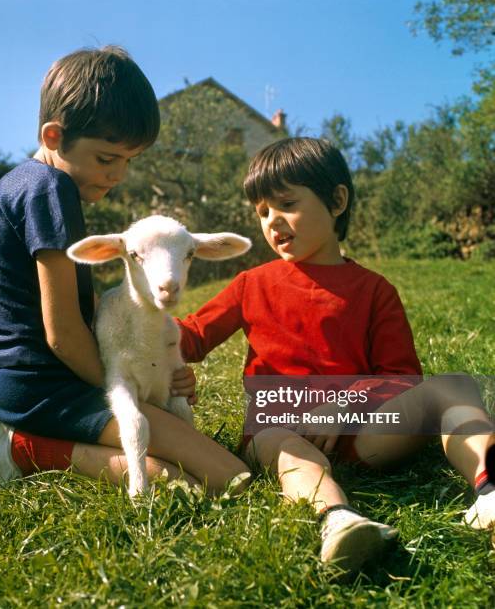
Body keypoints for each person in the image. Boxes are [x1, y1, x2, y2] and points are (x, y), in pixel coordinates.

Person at [0, 46, 249, 499]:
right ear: (53, 136)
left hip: (19, 387)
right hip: (40, 390)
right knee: (217, 477)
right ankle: (21, 447)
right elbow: (63, 334)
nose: (118, 175)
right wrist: (135, 391)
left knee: (209, 473)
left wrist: (156, 374)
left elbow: (87, 314)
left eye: (129, 160)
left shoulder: (30, 183)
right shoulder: (49, 190)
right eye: (107, 159)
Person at [173, 137, 495, 572]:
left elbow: (401, 375)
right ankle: (338, 520)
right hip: (278, 426)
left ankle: (488, 488)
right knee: (277, 441)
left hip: (362, 432)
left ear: (337, 200)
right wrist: (130, 315)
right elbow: (189, 337)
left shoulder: (375, 290)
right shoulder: (251, 283)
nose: (273, 221)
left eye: (286, 203)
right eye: (263, 212)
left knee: (452, 387)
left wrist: (345, 405)